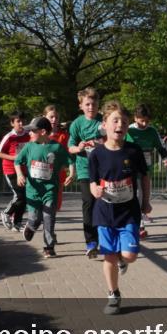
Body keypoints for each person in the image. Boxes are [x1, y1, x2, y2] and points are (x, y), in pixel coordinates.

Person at [89, 101, 151, 315]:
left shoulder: (133, 151)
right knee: (109, 256)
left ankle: (123, 261)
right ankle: (113, 294)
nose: (120, 125)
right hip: (105, 212)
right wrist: (95, 189)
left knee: (130, 255)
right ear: (105, 124)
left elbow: (144, 177)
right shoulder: (96, 154)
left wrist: (146, 201)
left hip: (128, 213)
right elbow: (92, 180)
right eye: (115, 120)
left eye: (124, 122)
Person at [15, 116, 75, 258]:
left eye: (32, 131)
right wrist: (19, 175)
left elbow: (70, 161)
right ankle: (30, 226)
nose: (29, 133)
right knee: (35, 218)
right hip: (33, 191)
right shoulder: (29, 146)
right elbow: (17, 161)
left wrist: (71, 174)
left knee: (48, 217)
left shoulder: (56, 147)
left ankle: (49, 247)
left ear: (42, 132)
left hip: (50, 190)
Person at [68, 88, 103, 258]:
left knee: (102, 204)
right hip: (84, 170)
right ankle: (91, 242)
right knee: (88, 203)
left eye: (94, 104)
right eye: (87, 104)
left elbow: (114, 140)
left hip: (103, 170)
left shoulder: (103, 121)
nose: (91, 107)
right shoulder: (77, 124)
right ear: (81, 105)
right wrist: (79, 147)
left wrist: (99, 144)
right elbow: (70, 147)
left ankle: (103, 238)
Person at [128, 103, 167, 240]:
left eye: (147, 120)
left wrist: (165, 157)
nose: (144, 123)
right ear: (135, 118)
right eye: (142, 120)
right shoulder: (129, 130)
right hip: (130, 168)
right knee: (136, 195)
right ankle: (137, 226)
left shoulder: (152, 131)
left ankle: (139, 224)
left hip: (146, 168)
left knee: (143, 196)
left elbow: (160, 146)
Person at [0, 112, 31, 231]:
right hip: (10, 169)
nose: (21, 123)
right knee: (19, 195)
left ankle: (17, 223)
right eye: (18, 121)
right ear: (12, 123)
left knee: (25, 197)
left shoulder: (28, 135)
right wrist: (14, 158)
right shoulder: (9, 137)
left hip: (24, 169)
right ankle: (6, 213)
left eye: (22, 121)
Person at [43, 104, 70, 212]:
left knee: (56, 204)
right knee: (42, 200)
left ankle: (49, 222)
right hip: (42, 172)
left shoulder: (64, 136)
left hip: (58, 173)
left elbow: (68, 155)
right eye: (51, 117)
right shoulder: (40, 134)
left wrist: (66, 167)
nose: (54, 120)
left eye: (56, 117)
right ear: (44, 117)